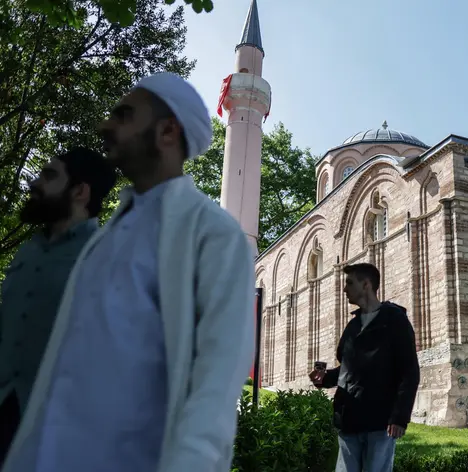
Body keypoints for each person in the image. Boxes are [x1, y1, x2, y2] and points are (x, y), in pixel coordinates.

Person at [1, 73, 256, 472]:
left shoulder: (214, 233)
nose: (106, 125)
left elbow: (216, 385)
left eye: (124, 115)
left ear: (167, 131)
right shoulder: (104, 240)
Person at [0, 148, 116, 465]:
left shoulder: (108, 259)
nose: (35, 183)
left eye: (49, 176)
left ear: (80, 192)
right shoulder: (28, 252)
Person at [309, 263, 420, 472]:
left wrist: (400, 417)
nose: (344, 289)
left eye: (350, 283)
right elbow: (348, 370)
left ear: (366, 284)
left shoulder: (395, 321)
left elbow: (410, 372)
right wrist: (324, 379)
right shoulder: (352, 326)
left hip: (381, 422)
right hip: (349, 419)